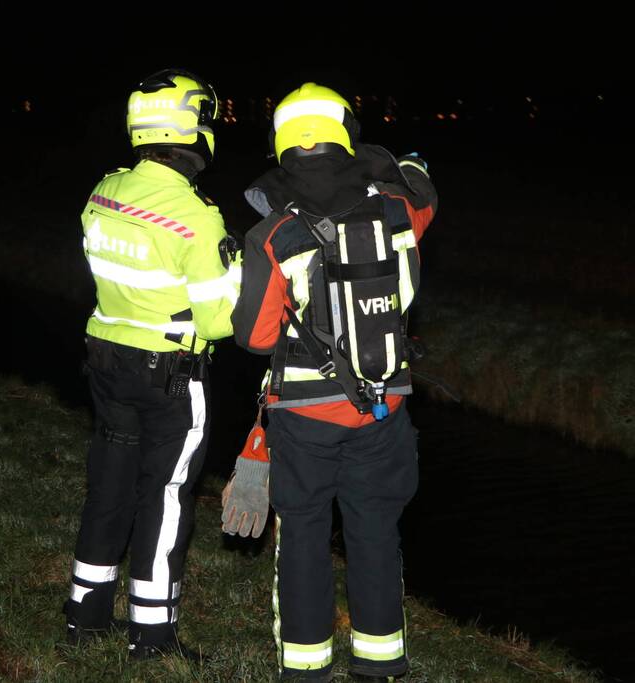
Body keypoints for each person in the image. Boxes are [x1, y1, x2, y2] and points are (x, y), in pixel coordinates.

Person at [227, 83, 437, 681]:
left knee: (303, 539)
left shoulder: (273, 234)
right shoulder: (400, 210)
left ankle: (307, 668)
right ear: (347, 132)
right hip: (384, 408)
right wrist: (406, 164)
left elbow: (257, 337)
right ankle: (380, 664)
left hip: (305, 418)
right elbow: (424, 192)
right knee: (375, 534)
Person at [65, 68, 240, 660]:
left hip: (106, 361)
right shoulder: (197, 215)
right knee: (165, 495)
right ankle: (152, 634)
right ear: (190, 130)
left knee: (109, 483)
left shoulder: (104, 191)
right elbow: (219, 322)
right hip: (170, 374)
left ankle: (84, 616)